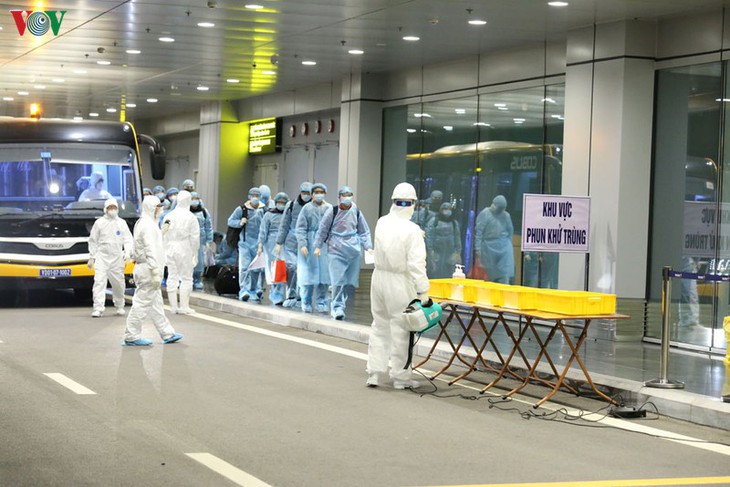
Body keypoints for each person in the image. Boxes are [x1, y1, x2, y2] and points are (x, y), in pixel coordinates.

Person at [366, 182, 429, 389]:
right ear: (412, 204)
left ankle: (374, 373)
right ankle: (401, 378)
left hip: (378, 279)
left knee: (379, 325)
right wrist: (423, 291)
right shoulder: (412, 230)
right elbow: (416, 264)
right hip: (399, 282)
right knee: (401, 329)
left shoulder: (382, 222)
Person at [123, 195, 183, 346]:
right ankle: (131, 335)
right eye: (158, 207)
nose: (160, 210)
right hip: (149, 270)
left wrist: (161, 232)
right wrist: (155, 272)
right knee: (141, 303)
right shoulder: (147, 225)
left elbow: (150, 244)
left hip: (148, 268)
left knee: (156, 305)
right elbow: (150, 249)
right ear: (152, 208)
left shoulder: (148, 223)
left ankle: (167, 333)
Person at [314, 186, 372, 320]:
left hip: (353, 250)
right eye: (344, 195)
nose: (347, 197)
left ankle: (341, 303)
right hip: (336, 249)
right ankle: (337, 307)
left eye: (349, 195)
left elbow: (364, 231)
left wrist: (368, 246)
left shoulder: (356, 211)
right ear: (339, 197)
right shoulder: (332, 211)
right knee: (337, 280)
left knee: (349, 282)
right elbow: (323, 229)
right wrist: (317, 246)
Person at [87, 198, 134, 317]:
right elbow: (93, 240)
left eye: (114, 208)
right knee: (99, 282)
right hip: (102, 257)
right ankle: (98, 308)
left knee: (118, 283)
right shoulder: (99, 223)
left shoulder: (121, 223)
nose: (112, 210)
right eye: (110, 208)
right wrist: (92, 256)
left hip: (117, 257)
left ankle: (120, 305)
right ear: (105, 209)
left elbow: (128, 239)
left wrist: (127, 252)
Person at [162, 190, 200, 314]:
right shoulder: (191, 217)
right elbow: (195, 237)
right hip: (184, 247)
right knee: (186, 278)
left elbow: (163, 233)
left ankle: (173, 307)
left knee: (172, 277)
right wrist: (195, 252)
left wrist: (164, 249)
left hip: (170, 248)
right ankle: (184, 306)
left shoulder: (169, 216)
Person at [295, 183, 331, 313]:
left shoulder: (329, 208)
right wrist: (303, 244)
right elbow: (300, 228)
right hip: (309, 244)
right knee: (308, 275)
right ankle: (306, 302)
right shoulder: (306, 208)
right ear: (312, 194)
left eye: (321, 192)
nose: (319, 194)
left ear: (325, 193)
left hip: (324, 245)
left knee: (324, 275)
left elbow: (332, 227)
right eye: (316, 192)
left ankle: (322, 302)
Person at [275, 181, 312, 308]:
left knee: (304, 270)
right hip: (291, 242)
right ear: (300, 192)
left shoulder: (314, 207)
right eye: (304, 192)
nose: (306, 195)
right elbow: (284, 224)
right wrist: (279, 242)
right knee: (292, 267)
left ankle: (302, 296)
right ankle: (291, 295)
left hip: (307, 243)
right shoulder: (291, 205)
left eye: (308, 193)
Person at [227, 187, 266, 302]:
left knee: (256, 268)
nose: (255, 198)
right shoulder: (242, 209)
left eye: (257, 196)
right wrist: (240, 222)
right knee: (244, 267)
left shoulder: (263, 210)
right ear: (249, 197)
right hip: (245, 243)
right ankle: (243, 290)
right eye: (253, 196)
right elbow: (230, 221)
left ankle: (254, 290)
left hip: (258, 243)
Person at [258, 192, 290, 305]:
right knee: (275, 269)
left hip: (285, 244)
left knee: (283, 269)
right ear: (275, 202)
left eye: (283, 202)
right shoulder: (269, 214)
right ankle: (275, 293)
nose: (281, 204)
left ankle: (281, 294)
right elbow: (263, 230)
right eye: (279, 202)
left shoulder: (288, 214)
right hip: (271, 244)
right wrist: (260, 244)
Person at [475, 195, 515, 284]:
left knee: (504, 276)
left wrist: (507, 244)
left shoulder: (506, 215)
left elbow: (510, 231)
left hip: (504, 248)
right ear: (494, 204)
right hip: (488, 248)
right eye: (499, 208)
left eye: (502, 209)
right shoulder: (485, 213)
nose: (500, 211)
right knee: (489, 277)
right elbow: (479, 232)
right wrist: (478, 249)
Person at [425, 202, 462, 278]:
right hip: (436, 252)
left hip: (450, 252)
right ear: (441, 210)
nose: (447, 211)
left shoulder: (454, 223)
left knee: (449, 272)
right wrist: (430, 251)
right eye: (445, 209)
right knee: (435, 272)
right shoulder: (434, 221)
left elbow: (457, 238)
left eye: (449, 209)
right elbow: (429, 236)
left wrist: (457, 252)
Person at [190, 192, 213, 290]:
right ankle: (189, 279)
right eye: (192, 198)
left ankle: (197, 279)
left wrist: (209, 240)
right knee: (188, 260)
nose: (194, 200)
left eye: (196, 198)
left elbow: (208, 226)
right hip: (188, 240)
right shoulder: (186, 211)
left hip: (200, 240)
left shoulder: (204, 211)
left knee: (199, 261)